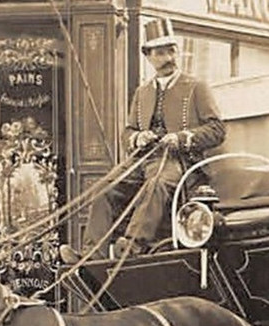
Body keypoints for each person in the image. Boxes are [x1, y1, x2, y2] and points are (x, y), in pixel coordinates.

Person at [89, 17, 227, 258]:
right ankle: (92, 254)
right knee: (102, 189)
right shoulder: (142, 92)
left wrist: (182, 137)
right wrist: (138, 138)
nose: (168, 59)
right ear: (148, 56)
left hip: (179, 161)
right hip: (143, 160)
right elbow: (128, 132)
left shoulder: (196, 87)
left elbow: (217, 130)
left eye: (171, 51)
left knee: (157, 184)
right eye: (161, 53)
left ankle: (131, 247)